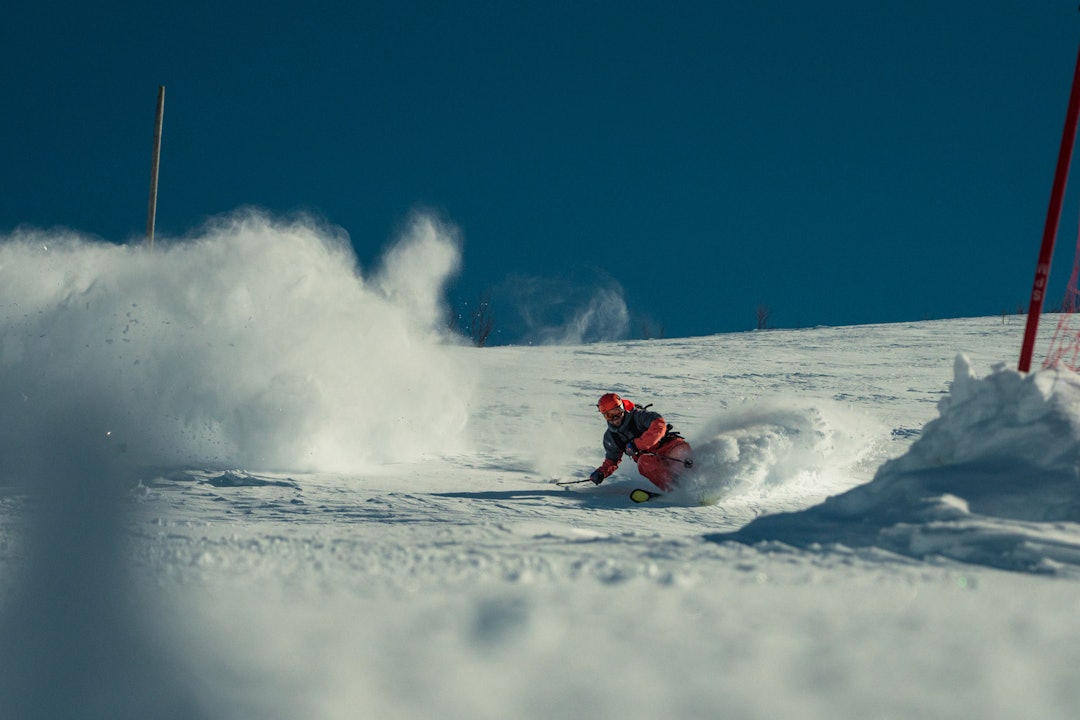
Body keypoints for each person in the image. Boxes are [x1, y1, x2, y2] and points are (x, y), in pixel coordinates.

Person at [588, 392, 693, 492]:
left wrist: (637, 444)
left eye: (616, 412)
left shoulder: (638, 416)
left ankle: (700, 481)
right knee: (644, 463)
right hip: (650, 459)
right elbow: (611, 460)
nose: (614, 418)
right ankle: (676, 491)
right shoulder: (611, 437)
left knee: (682, 455)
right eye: (609, 415)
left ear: (622, 408)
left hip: (669, 446)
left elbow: (659, 425)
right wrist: (601, 473)